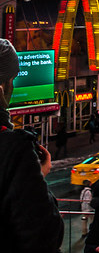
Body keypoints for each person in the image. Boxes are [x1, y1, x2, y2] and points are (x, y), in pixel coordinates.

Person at [0, 39, 64, 253]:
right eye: (12, 79)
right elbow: (45, 233)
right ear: (2, 89)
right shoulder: (14, 149)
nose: (13, 86)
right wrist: (36, 175)